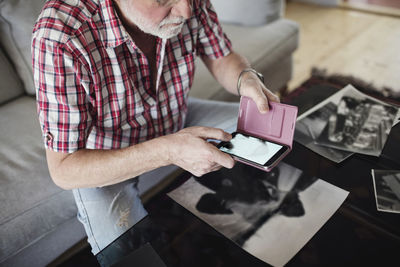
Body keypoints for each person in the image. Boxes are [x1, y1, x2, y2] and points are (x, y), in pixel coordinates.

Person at [32, 0, 280, 256]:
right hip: (104, 153)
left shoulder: (187, 4)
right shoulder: (60, 35)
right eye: (164, 0)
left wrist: (245, 78)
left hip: (177, 116)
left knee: (270, 133)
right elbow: (63, 168)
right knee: (131, 253)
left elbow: (222, 57)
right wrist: (167, 151)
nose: (186, 11)